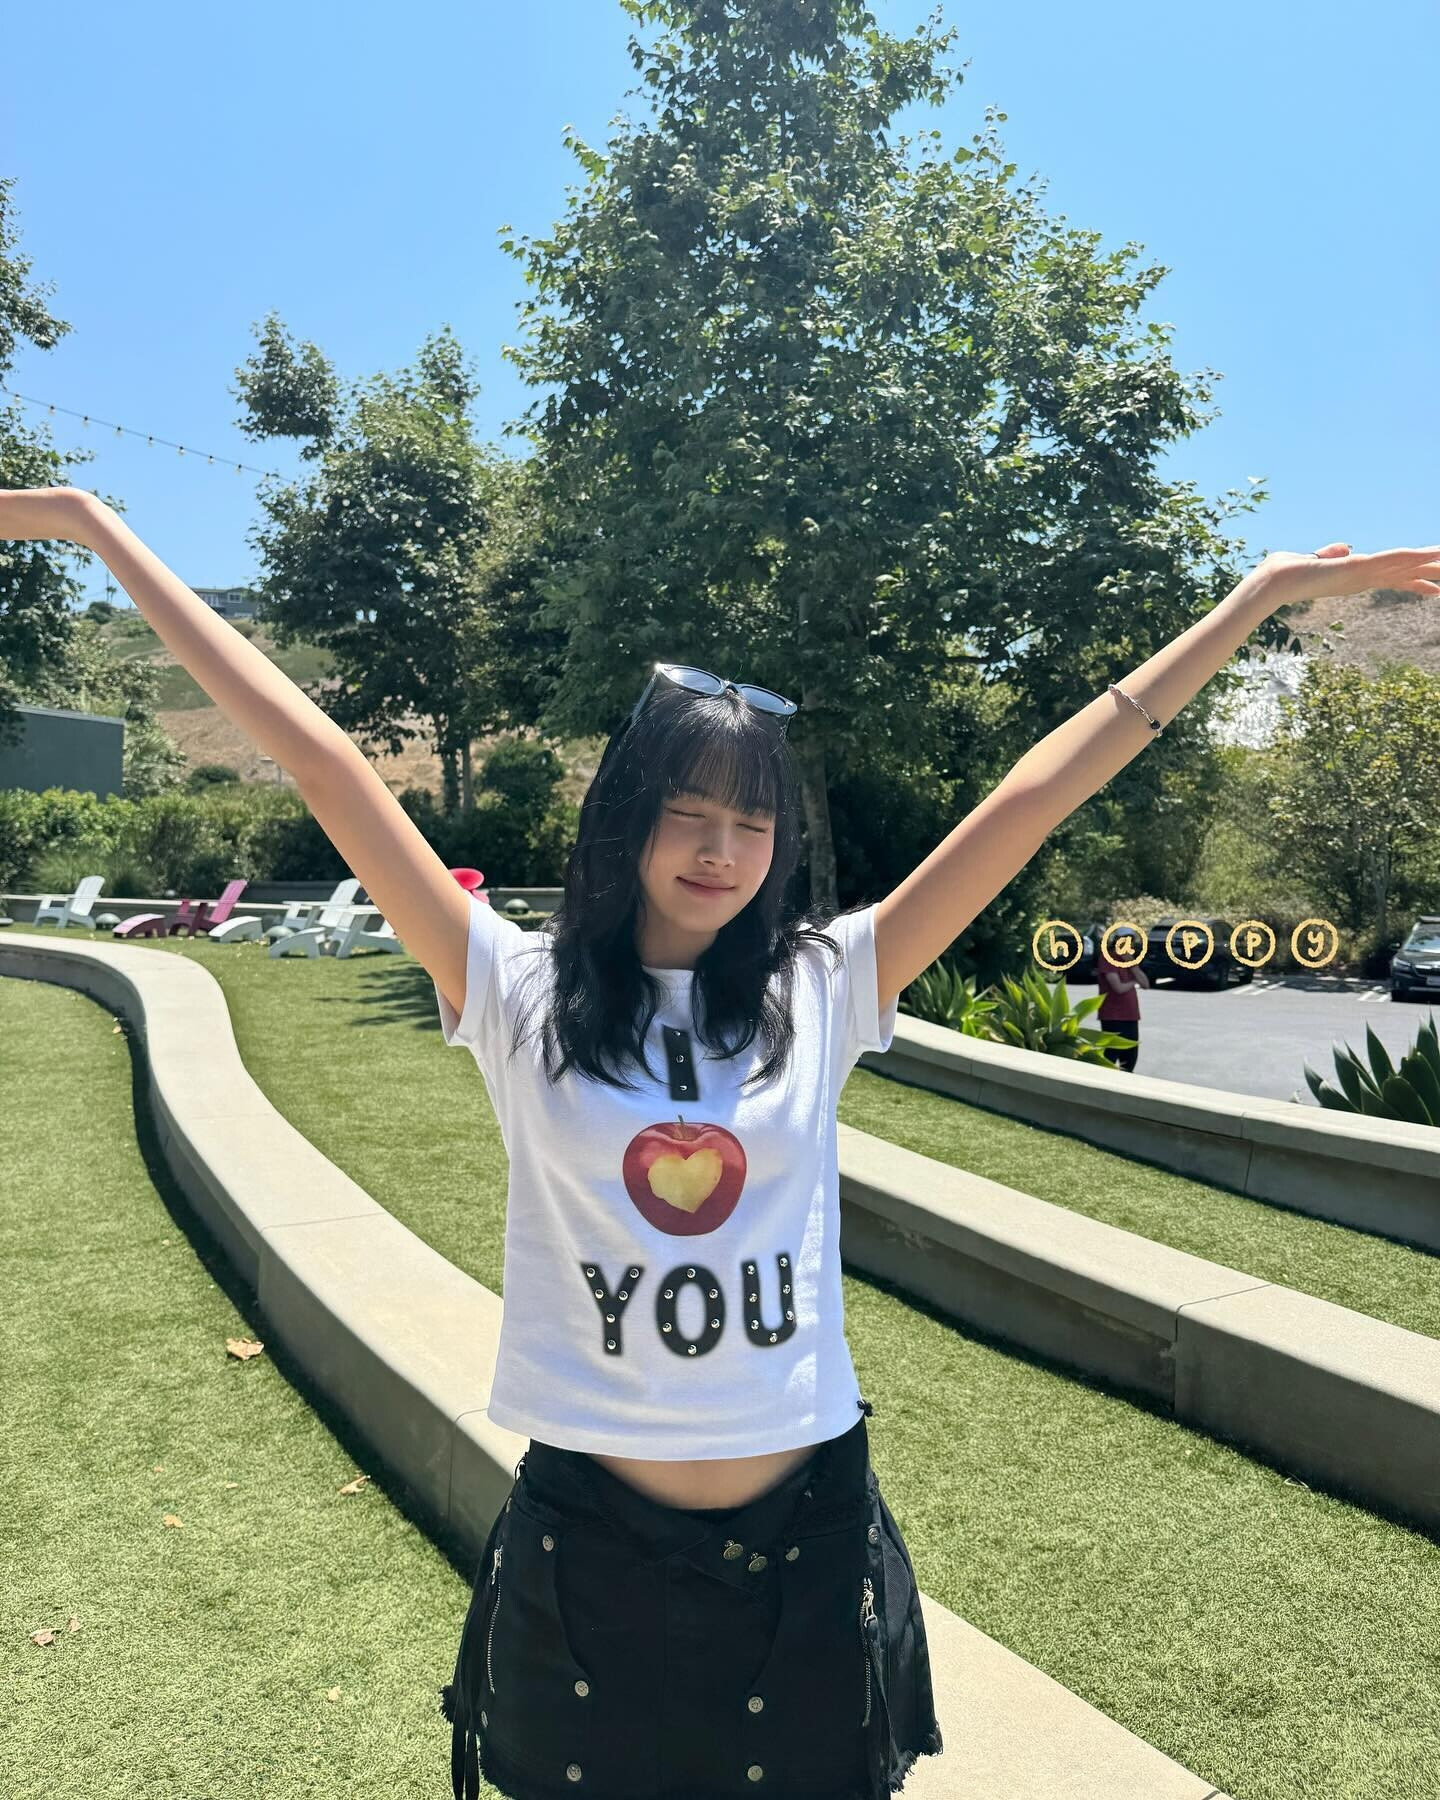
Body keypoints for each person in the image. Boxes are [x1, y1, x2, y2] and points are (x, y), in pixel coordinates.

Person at [7, 486, 1433, 1799]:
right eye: (686, 813)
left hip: (809, 1539)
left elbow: (1034, 796)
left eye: (752, 821)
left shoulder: (827, 984)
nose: (719, 849)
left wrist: (1252, 601)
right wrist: (97, 529)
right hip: (587, 1541)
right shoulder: (514, 987)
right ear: (626, 819)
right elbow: (321, 762)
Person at [1096, 941, 1150, 1073]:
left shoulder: (1129, 961)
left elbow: (1145, 984)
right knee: (1110, 1056)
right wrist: (1133, 982)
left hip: (1131, 1016)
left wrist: (1132, 964)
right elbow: (1118, 988)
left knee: (1130, 1059)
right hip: (1113, 1016)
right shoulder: (1107, 958)